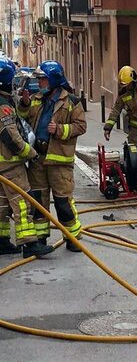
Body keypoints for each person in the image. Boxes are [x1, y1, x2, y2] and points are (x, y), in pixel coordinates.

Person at [18, 60, 87, 252]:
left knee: (63, 202)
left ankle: (73, 238)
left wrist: (60, 129)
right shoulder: (36, 99)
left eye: (42, 79)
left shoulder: (72, 102)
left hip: (59, 161)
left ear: (53, 80)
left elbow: (81, 126)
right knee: (38, 202)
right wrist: (24, 104)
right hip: (38, 159)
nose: (39, 83)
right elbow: (24, 117)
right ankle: (41, 239)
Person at [0, 59, 53, 258]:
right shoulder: (3, 107)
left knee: (2, 204)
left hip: (2, 166)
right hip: (10, 165)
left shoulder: (4, 101)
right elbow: (12, 137)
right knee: (23, 203)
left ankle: (2, 241)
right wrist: (31, 154)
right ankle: (30, 243)